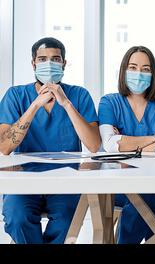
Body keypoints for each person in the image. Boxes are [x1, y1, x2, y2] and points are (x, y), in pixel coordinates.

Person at [0, 37, 100, 243]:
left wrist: (66, 104)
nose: (49, 64)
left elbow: (93, 145)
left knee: (67, 221)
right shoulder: (15, 95)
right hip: (24, 181)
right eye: (42, 59)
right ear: (33, 63)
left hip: (66, 183)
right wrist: (35, 105)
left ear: (64, 63)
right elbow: (4, 146)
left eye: (55, 59)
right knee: (17, 218)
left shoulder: (79, 95)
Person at [98, 46, 155, 244]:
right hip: (119, 187)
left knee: (152, 192)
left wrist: (127, 142)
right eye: (133, 67)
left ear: (153, 74)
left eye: (146, 69)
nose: (139, 74)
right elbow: (110, 144)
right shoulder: (109, 102)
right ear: (123, 71)